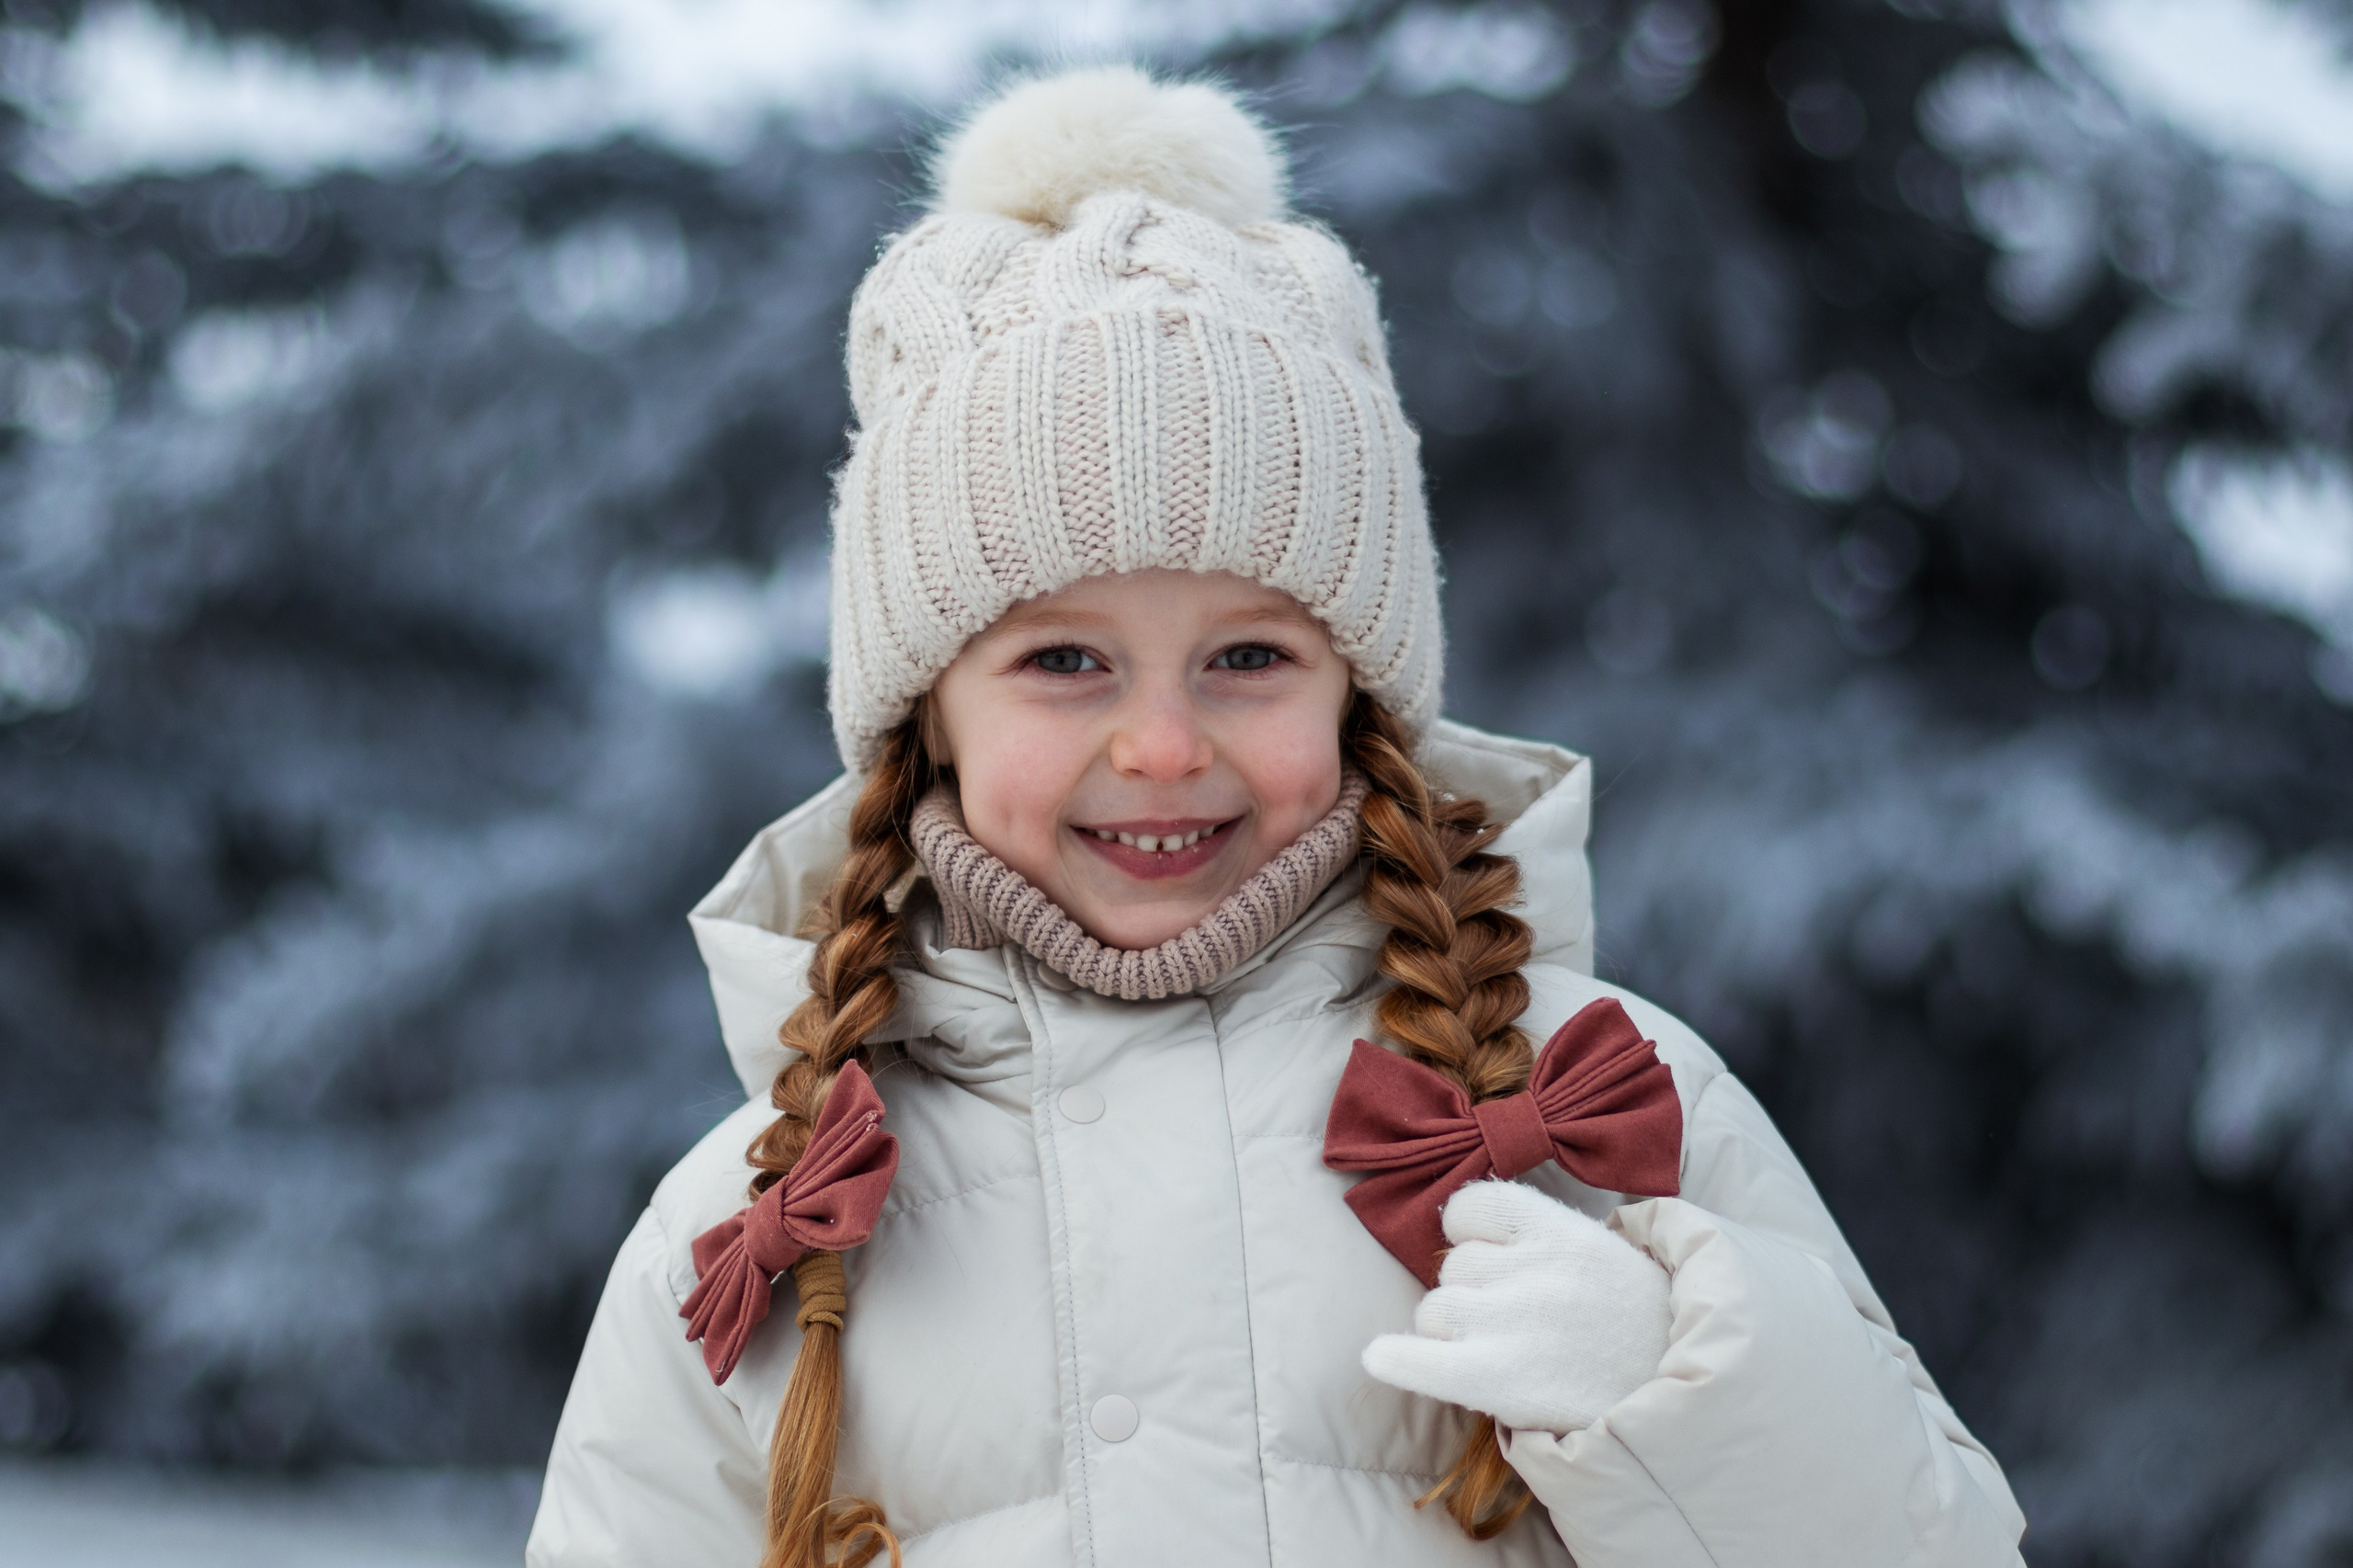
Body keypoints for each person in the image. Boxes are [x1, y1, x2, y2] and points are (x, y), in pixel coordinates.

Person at [526, 64, 2027, 1568]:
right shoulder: (748, 1221)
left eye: (1250, 657)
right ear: (930, 711)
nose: (1166, 744)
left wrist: (1681, 1386)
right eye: (1064, 661)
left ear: (1358, 692)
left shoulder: (1598, 1099)